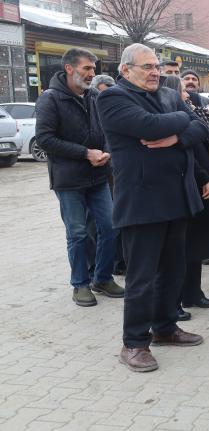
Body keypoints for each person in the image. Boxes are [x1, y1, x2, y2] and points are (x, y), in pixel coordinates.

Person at [98, 43, 207, 373]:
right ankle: (134, 343)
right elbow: (148, 127)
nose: (155, 71)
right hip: (143, 202)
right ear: (126, 69)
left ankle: (165, 327)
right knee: (141, 278)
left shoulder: (168, 94)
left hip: (176, 197)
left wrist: (175, 136)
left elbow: (201, 126)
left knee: (174, 270)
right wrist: (179, 122)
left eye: (156, 66)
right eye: (146, 67)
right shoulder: (112, 98)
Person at [35, 47, 123, 307]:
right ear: (69, 69)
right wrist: (86, 153)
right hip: (69, 180)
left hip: (98, 176)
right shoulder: (50, 99)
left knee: (110, 227)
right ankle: (80, 285)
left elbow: (107, 130)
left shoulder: (94, 96)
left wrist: (106, 151)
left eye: (93, 69)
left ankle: (103, 278)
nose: (91, 73)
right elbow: (45, 139)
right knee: (78, 234)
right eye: (87, 68)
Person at [158, 76, 209, 319]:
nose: (187, 95)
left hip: (201, 185)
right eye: (183, 91)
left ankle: (193, 293)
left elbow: (202, 134)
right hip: (188, 186)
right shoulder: (173, 118)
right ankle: (176, 302)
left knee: (196, 247)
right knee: (182, 250)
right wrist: (204, 176)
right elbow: (187, 153)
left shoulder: (189, 112)